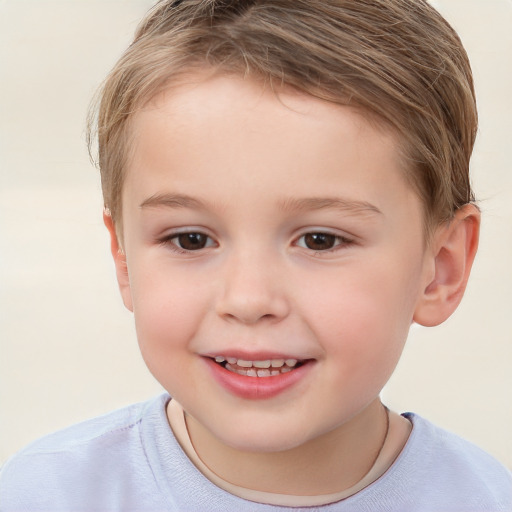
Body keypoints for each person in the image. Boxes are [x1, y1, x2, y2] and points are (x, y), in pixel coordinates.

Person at [1, 0, 511, 510]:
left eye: (320, 240)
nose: (247, 299)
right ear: (125, 259)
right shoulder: (44, 495)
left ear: (441, 268)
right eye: (190, 240)